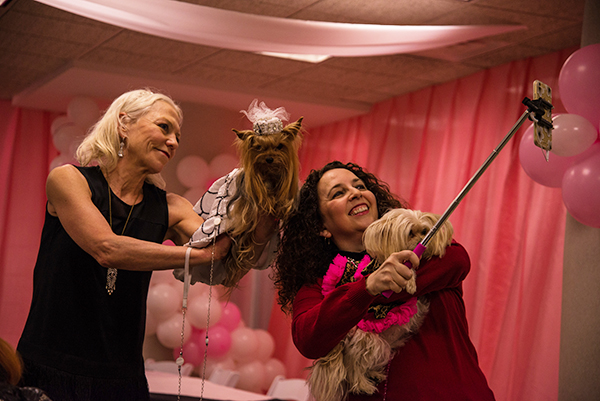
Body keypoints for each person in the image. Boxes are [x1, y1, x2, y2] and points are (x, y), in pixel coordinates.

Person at [16, 89, 235, 401]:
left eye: (177, 134)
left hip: (121, 378)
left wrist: (259, 209)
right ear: (123, 123)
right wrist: (196, 254)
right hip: (48, 367)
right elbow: (106, 249)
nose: (173, 141)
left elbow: (222, 259)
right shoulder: (69, 181)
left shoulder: (171, 207)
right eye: (164, 127)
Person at [273, 161, 495, 401]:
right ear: (321, 226)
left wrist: (370, 292)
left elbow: (457, 260)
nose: (355, 192)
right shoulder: (316, 283)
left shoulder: (429, 247)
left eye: (359, 186)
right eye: (339, 192)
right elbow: (308, 339)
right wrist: (366, 288)